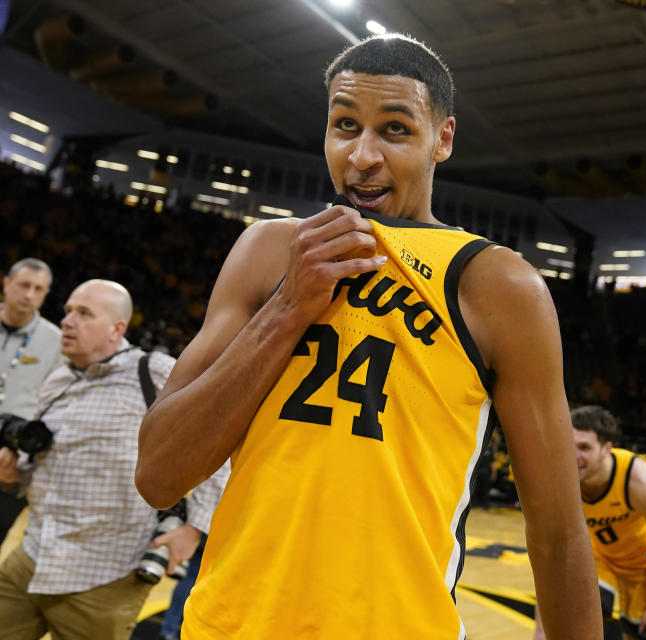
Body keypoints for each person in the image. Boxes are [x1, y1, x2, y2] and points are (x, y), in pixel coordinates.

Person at [136, 34, 602, 640]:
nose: (361, 156)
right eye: (345, 125)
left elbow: (558, 532)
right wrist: (287, 307)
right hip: (224, 625)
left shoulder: (497, 285)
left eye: (395, 130)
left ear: (443, 138)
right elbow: (158, 474)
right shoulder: (270, 250)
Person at [0, 279, 225, 640]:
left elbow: (214, 442)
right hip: (32, 556)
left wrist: (194, 527)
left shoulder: (154, 371)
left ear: (117, 329)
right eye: (68, 311)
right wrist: (14, 473)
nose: (68, 321)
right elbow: (43, 466)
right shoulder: (57, 379)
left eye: (84, 313)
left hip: (106, 575)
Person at [532, 406, 646, 640]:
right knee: (581, 617)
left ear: (606, 449)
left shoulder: (637, 480)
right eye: (569, 444)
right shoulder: (560, 479)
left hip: (643, 565)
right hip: (601, 560)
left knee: (643, 632)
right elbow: (550, 554)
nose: (573, 454)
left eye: (584, 448)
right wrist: (541, 627)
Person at [0, 258, 62, 544]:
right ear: (6, 284)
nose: (29, 294)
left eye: (39, 289)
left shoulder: (59, 342)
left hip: (11, 457)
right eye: (24, 285)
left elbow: (56, 409)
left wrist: (22, 454)